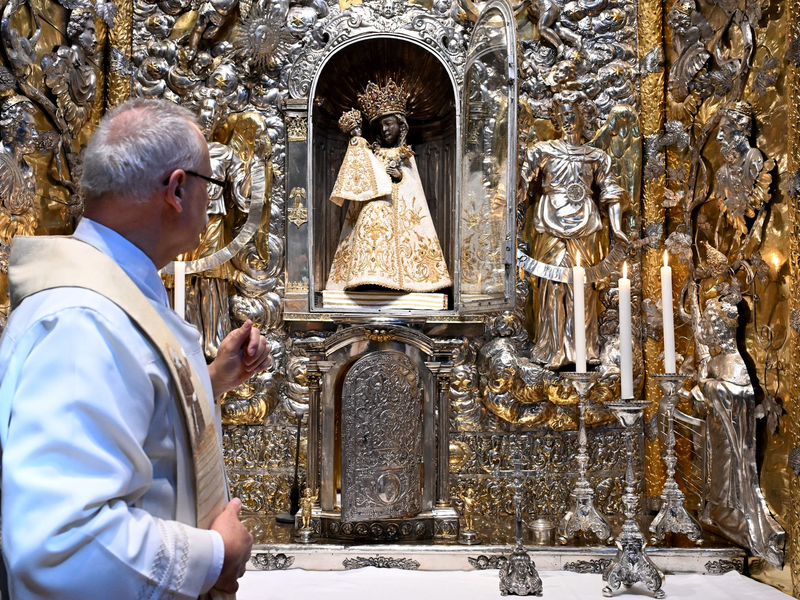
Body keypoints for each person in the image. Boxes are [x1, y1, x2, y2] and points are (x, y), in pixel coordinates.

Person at [0, 98, 268, 598]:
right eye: (212, 187)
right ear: (178, 189)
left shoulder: (112, 295)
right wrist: (215, 556)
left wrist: (212, 379)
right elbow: (62, 545)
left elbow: (130, 415)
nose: (212, 205)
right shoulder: (85, 324)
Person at [520, 89, 629, 369]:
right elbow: (519, 187)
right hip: (551, 223)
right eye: (561, 116)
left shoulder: (596, 156)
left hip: (586, 225)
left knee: (582, 285)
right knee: (553, 285)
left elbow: (611, 191)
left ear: (582, 118)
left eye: (572, 114)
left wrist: (616, 228)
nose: (567, 120)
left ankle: (583, 349)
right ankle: (552, 349)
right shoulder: (542, 151)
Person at [326, 79, 451, 293]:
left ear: (400, 125)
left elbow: (414, 190)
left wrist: (399, 176)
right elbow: (359, 172)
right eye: (382, 126)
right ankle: (366, 276)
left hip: (396, 213)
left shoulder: (406, 155)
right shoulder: (373, 153)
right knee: (369, 218)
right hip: (371, 210)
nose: (385, 129)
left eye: (389, 124)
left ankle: (399, 279)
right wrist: (357, 139)